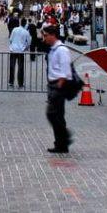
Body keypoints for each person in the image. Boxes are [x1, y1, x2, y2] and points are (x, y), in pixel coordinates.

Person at [43, 25, 74, 154]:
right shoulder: (52, 50)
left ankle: (65, 138)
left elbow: (66, 71)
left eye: (46, 36)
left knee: (52, 114)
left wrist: (59, 86)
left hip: (59, 86)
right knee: (58, 115)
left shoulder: (62, 50)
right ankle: (61, 144)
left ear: (53, 35)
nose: (44, 38)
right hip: (53, 85)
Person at [9, 18, 31, 88]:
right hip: (21, 51)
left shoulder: (15, 29)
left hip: (13, 50)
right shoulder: (26, 32)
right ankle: (20, 83)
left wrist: (12, 45)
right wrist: (25, 48)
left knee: (12, 66)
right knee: (20, 67)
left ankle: (11, 82)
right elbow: (29, 43)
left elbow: (10, 39)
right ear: (25, 24)